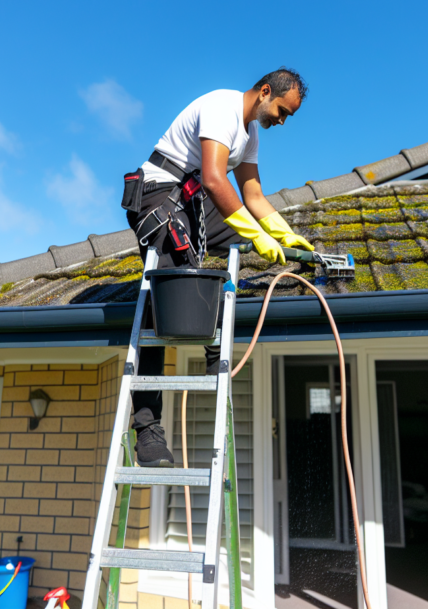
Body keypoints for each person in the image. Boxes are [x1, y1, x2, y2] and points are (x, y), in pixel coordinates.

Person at [120, 68, 314, 466]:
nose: (282, 120)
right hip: (159, 199)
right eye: (282, 110)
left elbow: (253, 195)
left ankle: (214, 344)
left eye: (288, 116)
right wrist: (258, 236)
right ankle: (147, 430)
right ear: (264, 92)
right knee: (165, 304)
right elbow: (213, 178)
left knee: (241, 235)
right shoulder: (223, 108)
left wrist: (282, 234)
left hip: (191, 204)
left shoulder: (250, 134)